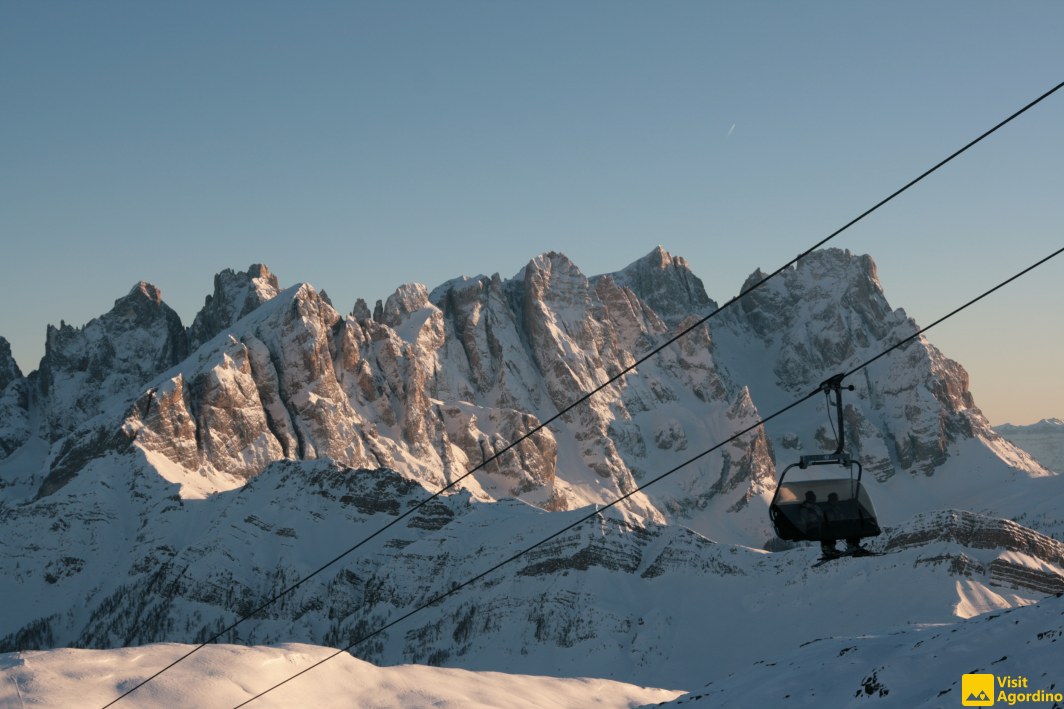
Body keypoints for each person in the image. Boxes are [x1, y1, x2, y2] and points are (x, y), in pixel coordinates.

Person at [823, 491, 861, 556]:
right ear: (829, 500)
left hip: (839, 526)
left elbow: (843, 517)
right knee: (827, 530)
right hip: (830, 527)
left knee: (852, 526)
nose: (835, 500)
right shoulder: (826, 509)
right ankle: (828, 548)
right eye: (833, 499)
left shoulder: (838, 508)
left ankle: (852, 545)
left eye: (836, 499)